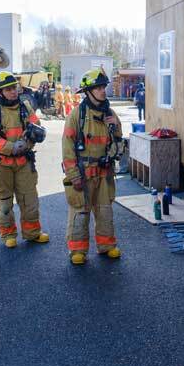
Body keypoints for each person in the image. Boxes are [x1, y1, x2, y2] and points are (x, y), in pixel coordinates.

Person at [61, 68, 124, 265]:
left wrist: (116, 126)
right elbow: (67, 147)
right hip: (83, 174)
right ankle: (77, 250)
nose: (103, 91)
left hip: (105, 173)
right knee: (80, 212)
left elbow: (119, 141)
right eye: (98, 88)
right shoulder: (76, 115)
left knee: (105, 211)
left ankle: (106, 245)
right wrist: (73, 175)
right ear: (88, 91)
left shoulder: (110, 114)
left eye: (104, 87)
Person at [0, 71, 49, 247]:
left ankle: (32, 233)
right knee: (4, 203)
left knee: (29, 199)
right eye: (8, 89)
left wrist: (28, 142)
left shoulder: (25, 107)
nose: (13, 92)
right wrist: (11, 147)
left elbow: (36, 126)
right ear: (0, 92)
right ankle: (8, 234)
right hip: (1, 165)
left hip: (23, 162)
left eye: (14, 88)